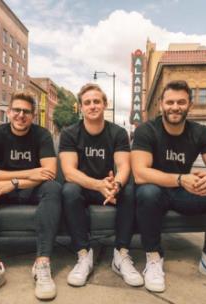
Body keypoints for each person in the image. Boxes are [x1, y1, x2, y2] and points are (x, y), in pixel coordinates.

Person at [131, 80, 206, 292]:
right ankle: (154, 259)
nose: (175, 107)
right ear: (161, 105)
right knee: (147, 192)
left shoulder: (201, 133)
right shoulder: (147, 130)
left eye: (181, 102)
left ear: (190, 105)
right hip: (157, 193)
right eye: (170, 102)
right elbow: (140, 173)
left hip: (184, 193)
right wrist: (182, 179)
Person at [0, 92, 61, 301]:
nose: (21, 115)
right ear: (8, 112)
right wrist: (25, 174)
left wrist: (14, 183)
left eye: (26, 112)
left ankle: (42, 264)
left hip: (31, 188)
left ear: (33, 115)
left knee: (53, 188)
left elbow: (48, 173)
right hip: (3, 188)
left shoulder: (42, 135)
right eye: (16, 110)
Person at [59, 83, 143, 287]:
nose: (92, 106)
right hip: (85, 187)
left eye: (97, 101)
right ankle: (83, 255)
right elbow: (69, 172)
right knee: (68, 190)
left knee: (130, 191)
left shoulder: (118, 132)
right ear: (81, 107)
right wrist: (98, 184)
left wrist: (117, 184)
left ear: (105, 104)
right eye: (87, 102)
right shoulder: (70, 133)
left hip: (108, 187)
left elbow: (124, 166)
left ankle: (121, 254)